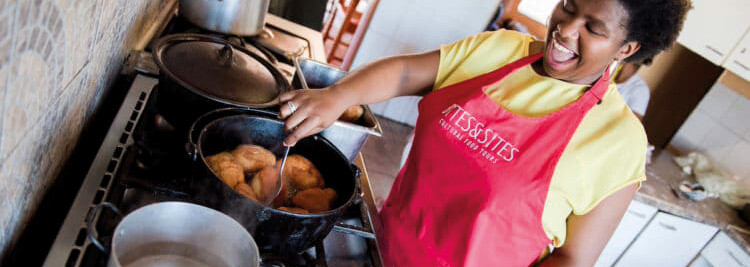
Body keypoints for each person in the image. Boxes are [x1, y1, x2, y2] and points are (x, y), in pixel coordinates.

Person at [278, 0, 690, 265]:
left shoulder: (618, 141)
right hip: (381, 243)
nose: (565, 29)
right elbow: (406, 71)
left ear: (627, 48)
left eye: (593, 28)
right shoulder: (499, 51)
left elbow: (572, 258)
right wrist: (337, 95)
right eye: (568, 6)